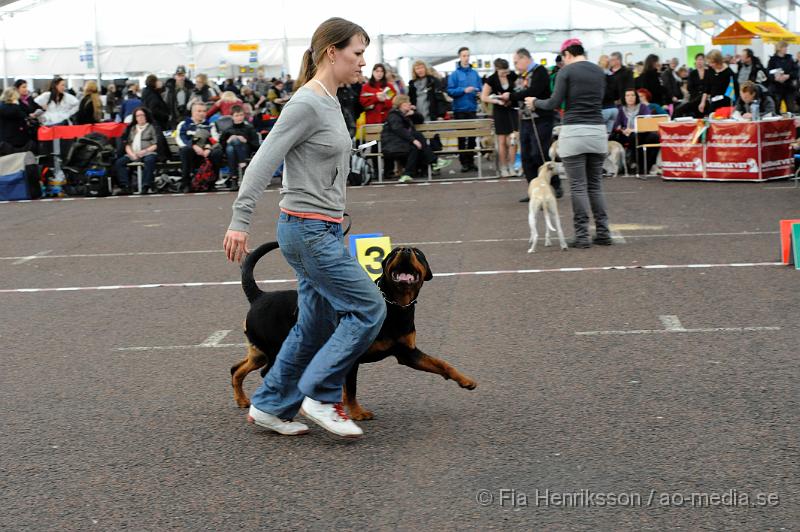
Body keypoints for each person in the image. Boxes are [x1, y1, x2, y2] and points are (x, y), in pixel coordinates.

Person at [223, 17, 385, 439]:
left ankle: (271, 406)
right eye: (357, 53)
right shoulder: (306, 103)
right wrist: (240, 220)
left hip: (325, 230)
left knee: (314, 324)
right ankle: (322, 395)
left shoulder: (331, 102)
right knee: (369, 308)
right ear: (332, 52)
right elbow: (262, 161)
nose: (363, 63)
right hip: (306, 231)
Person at [527, 38, 610, 249]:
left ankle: (582, 236)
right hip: (598, 131)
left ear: (567, 55)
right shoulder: (599, 71)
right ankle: (603, 232)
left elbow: (554, 103)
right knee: (595, 185)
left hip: (574, 131)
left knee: (578, 186)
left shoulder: (566, 72)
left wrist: (534, 102)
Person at [500, 47, 557, 200]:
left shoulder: (540, 72)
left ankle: (555, 184)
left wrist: (511, 95)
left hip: (541, 119)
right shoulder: (521, 75)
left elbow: (533, 92)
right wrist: (510, 100)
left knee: (538, 153)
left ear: (525, 58)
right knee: (526, 157)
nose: (515, 65)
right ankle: (534, 190)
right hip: (525, 120)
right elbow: (520, 94)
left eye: (516, 62)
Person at [380, 95, 452, 182]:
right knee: (417, 136)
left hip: (402, 144)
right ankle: (435, 161)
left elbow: (420, 120)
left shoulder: (405, 115)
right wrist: (413, 140)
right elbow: (398, 130)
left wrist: (414, 113)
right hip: (393, 146)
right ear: (401, 104)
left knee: (415, 145)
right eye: (407, 102)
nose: (410, 104)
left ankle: (407, 175)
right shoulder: (394, 115)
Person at [481, 58, 519, 177]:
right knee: (502, 141)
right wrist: (497, 101)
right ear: (497, 69)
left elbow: (518, 89)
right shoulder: (491, 79)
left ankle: (512, 166)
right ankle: (503, 167)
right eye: (503, 72)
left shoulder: (512, 75)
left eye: (506, 71)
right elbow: (484, 97)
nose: (505, 74)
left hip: (512, 109)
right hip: (499, 110)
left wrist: (512, 97)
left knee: (512, 140)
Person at [447, 47, 482, 172]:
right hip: (459, 109)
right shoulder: (454, 74)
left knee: (472, 137)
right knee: (462, 137)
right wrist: (463, 90)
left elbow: (480, 88)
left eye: (468, 55)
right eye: (464, 55)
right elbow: (450, 91)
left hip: (472, 108)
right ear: (459, 57)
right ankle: (463, 163)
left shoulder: (475, 74)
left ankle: (471, 161)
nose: (466, 58)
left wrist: (479, 93)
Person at [113, 106, 164, 194]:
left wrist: (145, 151)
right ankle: (125, 186)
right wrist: (132, 154)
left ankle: (145, 185)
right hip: (133, 153)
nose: (140, 117)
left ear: (146, 116)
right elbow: (127, 144)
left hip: (148, 152)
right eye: (137, 116)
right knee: (119, 163)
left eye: (142, 115)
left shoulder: (152, 127)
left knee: (149, 160)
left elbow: (156, 144)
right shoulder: (131, 129)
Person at [177, 101, 223, 192]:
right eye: (199, 111)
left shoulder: (210, 125)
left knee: (217, 152)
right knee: (185, 150)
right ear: (193, 112)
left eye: (204, 111)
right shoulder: (184, 125)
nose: (202, 113)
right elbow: (180, 140)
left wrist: (208, 148)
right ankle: (186, 183)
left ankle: (211, 183)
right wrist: (193, 146)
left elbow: (216, 140)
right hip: (191, 153)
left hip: (206, 153)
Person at [611, 88, 656, 172]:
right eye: (627, 95)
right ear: (624, 98)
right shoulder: (621, 109)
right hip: (627, 134)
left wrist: (634, 129)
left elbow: (648, 121)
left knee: (654, 136)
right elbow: (616, 125)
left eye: (632, 95)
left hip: (642, 131)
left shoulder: (643, 107)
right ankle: (638, 164)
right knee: (634, 137)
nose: (630, 97)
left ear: (636, 97)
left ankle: (648, 165)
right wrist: (623, 130)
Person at [220, 105, 260, 175]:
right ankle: (243, 165)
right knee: (231, 148)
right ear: (232, 117)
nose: (239, 117)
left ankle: (234, 178)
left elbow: (257, 146)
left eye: (241, 115)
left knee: (231, 148)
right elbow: (221, 147)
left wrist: (245, 141)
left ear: (244, 115)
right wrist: (228, 141)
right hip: (230, 154)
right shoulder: (227, 131)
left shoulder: (249, 128)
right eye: (236, 115)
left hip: (247, 152)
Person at [602, 51, 634, 134]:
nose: (610, 62)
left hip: (623, 103)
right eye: (610, 60)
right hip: (610, 103)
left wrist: (623, 99)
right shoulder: (607, 72)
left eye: (612, 60)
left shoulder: (627, 72)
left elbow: (630, 87)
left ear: (618, 60)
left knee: (623, 125)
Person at [699, 49, 738, 115]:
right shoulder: (710, 70)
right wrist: (702, 102)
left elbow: (735, 90)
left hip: (725, 104)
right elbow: (706, 88)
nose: (710, 65)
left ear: (718, 61)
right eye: (709, 62)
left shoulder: (729, 73)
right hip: (713, 103)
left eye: (712, 62)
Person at [0, 88, 35, 156]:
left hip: (4, 139)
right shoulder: (15, 108)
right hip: (17, 140)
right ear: (13, 96)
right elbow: (23, 117)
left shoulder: (1, 106)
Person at [767, 41, 798, 113]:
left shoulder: (790, 58)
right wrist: (776, 78)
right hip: (776, 88)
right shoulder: (772, 60)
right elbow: (768, 73)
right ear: (779, 48)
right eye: (785, 47)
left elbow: (796, 72)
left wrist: (788, 76)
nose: (786, 49)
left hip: (789, 88)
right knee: (776, 109)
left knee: (791, 109)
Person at [13, 79, 42, 151]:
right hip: (23, 129)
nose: (26, 89)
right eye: (23, 87)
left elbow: (38, 107)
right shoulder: (15, 101)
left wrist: (39, 110)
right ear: (17, 89)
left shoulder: (29, 99)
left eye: (26, 87)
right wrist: (28, 115)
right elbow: (18, 113)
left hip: (34, 127)